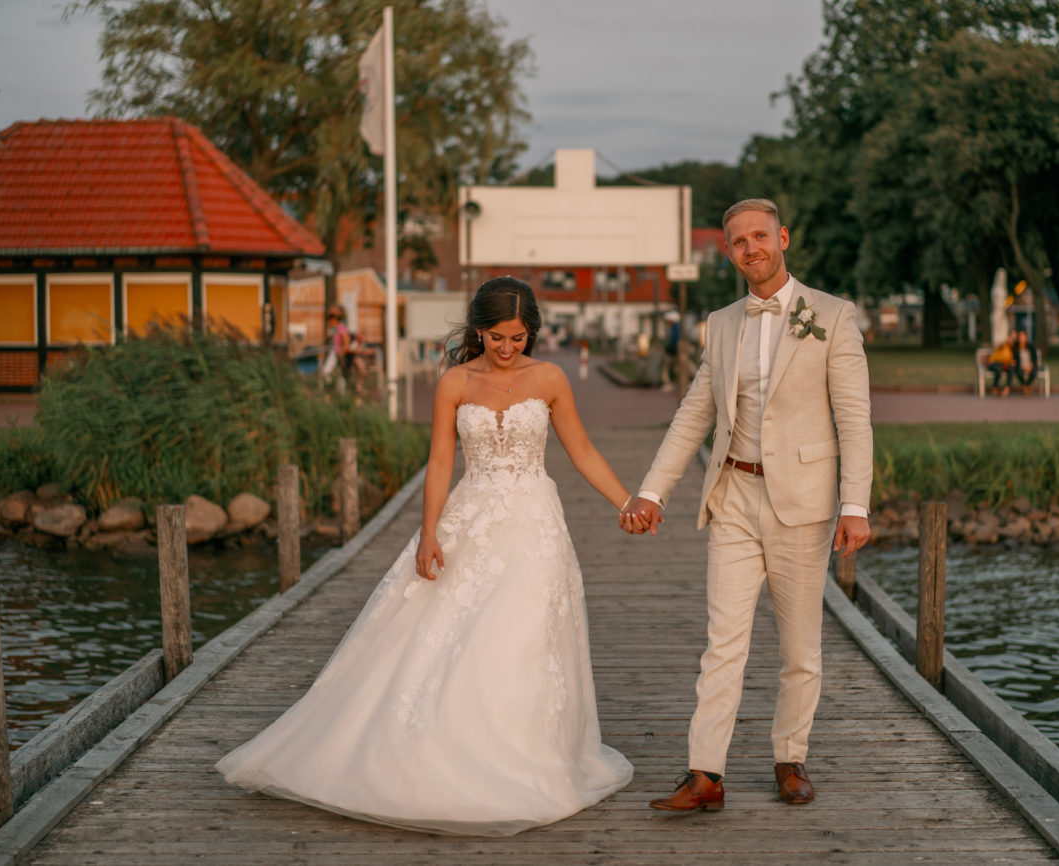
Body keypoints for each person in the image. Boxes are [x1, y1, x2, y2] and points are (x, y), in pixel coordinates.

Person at [217, 276, 635, 835]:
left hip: (535, 525)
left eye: (517, 337)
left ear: (530, 331)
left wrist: (627, 501)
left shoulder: (551, 377)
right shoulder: (454, 383)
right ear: (477, 331)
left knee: (525, 635)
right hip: (471, 517)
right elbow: (440, 463)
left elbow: (581, 450)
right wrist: (428, 533)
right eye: (495, 337)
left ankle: (528, 754)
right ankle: (451, 752)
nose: (508, 349)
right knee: (458, 634)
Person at [618, 199, 872, 812]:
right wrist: (652, 491)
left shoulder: (831, 317)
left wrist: (854, 503)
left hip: (804, 503)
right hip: (732, 493)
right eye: (738, 241)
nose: (750, 248)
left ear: (782, 237)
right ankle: (706, 774)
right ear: (728, 252)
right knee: (722, 642)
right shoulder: (722, 321)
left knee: (798, 647)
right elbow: (694, 415)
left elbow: (854, 416)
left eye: (760, 235)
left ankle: (790, 757)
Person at [1013, 329, 1040, 395]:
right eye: (1020, 337)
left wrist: (1030, 366)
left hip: (1030, 366)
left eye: (1023, 336)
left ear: (1026, 337)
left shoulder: (1031, 347)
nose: (1021, 339)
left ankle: (1026, 385)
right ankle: (1025, 387)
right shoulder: (1016, 347)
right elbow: (1015, 360)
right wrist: (1022, 366)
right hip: (1020, 366)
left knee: (1034, 372)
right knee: (1018, 372)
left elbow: (1035, 358)